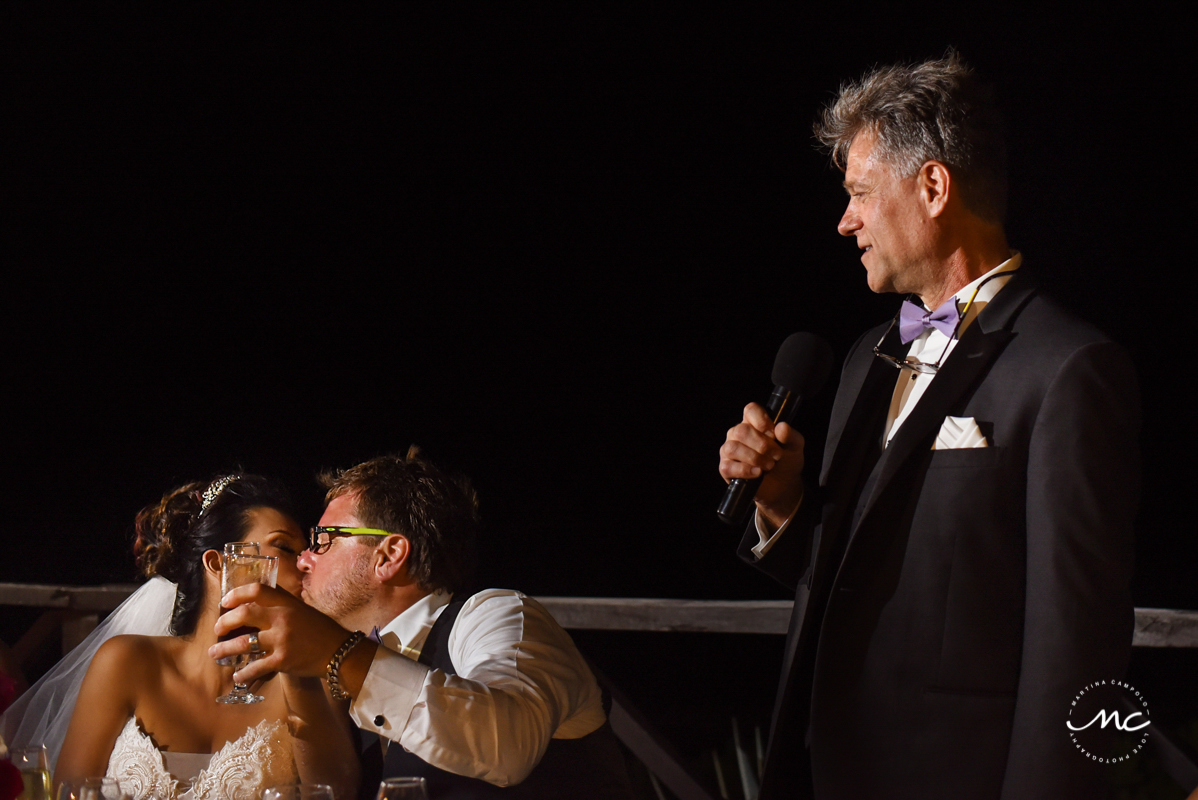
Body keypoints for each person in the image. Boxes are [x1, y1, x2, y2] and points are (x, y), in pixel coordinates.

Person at [718, 52, 1139, 799]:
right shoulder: (863, 360)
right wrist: (784, 506)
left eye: (859, 193)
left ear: (934, 186)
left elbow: (1076, 647)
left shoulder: (1069, 370)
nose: (845, 220)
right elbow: (860, 579)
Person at [211, 449, 635, 800]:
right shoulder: (339, 672)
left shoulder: (497, 615)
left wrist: (338, 654)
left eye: (323, 540)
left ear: (389, 555)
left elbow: (509, 747)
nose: (303, 559)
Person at [4, 475, 358, 800]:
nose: (302, 565)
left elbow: (338, 795)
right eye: (283, 548)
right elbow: (72, 793)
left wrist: (296, 669)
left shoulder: (315, 680)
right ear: (219, 565)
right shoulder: (128, 660)